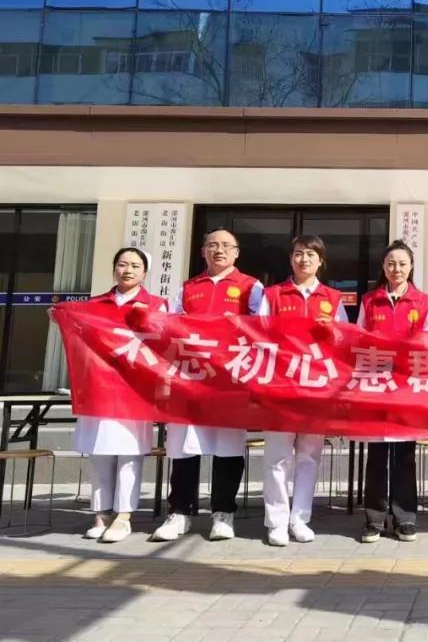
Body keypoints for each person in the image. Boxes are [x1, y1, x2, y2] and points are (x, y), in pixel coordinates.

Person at [152, 228, 264, 542]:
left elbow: (262, 329)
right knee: (184, 447)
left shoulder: (251, 286)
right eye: (212, 245)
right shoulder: (189, 287)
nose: (219, 250)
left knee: (228, 448)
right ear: (202, 251)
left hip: (230, 380)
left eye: (226, 245)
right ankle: (180, 512)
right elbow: (169, 327)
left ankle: (223, 513)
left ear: (237, 252)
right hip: (191, 379)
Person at [69, 247, 167, 542]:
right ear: (114, 269)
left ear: (145, 273)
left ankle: (124, 516)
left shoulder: (156, 305)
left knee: (129, 453)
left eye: (135, 265)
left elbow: (164, 344)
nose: (128, 270)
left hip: (135, 389)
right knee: (100, 452)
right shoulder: (95, 304)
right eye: (122, 264)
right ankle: (101, 514)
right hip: (99, 387)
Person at [259, 235, 348, 547]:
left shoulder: (333, 298)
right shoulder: (273, 295)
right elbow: (258, 335)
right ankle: (276, 521)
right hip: (280, 385)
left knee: (309, 456)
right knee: (277, 456)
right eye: (298, 254)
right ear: (290, 259)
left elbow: (344, 341)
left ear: (321, 261)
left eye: (311, 254)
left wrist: (333, 330)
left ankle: (300, 519)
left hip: (316, 387)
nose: (304, 259)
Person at [356, 239, 428, 544]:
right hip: (376, 386)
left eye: (402, 263)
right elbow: (358, 339)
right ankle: (374, 519)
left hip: (407, 387)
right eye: (391, 263)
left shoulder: (424, 302)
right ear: (383, 266)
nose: (396, 269)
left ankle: (405, 518)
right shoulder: (369, 301)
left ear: (411, 267)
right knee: (376, 456)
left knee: (404, 456)